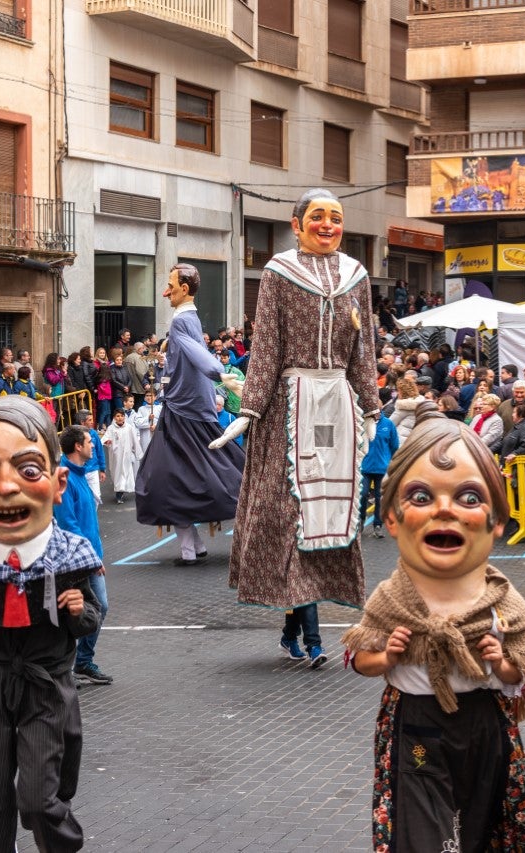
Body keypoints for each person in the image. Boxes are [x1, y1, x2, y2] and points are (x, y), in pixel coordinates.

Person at [341, 407, 525, 851]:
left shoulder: (503, 601)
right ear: (394, 519)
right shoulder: (391, 600)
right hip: (418, 725)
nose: (444, 509)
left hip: (483, 726)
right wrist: (388, 657)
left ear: (496, 522)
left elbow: (524, 676)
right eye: (420, 496)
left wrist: (503, 662)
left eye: (469, 498)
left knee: (484, 825)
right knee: (423, 833)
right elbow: (360, 660)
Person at [215, 189, 379, 668]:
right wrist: (249, 410)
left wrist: (370, 407)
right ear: (297, 224)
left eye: (336, 217)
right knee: (292, 516)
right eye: (318, 216)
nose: (328, 224)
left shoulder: (357, 275)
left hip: (335, 408)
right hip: (288, 408)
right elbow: (265, 345)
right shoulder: (278, 273)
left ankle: (297, 628)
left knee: (328, 515)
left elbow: (363, 347)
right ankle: (309, 636)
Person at [0, 397, 102, 853]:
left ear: (58, 481)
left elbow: (90, 619)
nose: (5, 487)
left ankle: (63, 846)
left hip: (46, 681)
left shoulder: (71, 556)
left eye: (28, 470)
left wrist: (76, 612)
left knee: (38, 800)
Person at [136, 264, 245, 566]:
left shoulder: (182, 321)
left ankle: (192, 546)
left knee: (164, 481)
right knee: (183, 476)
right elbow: (191, 355)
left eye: (169, 284)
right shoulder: (191, 317)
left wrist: (219, 372)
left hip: (183, 412)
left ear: (184, 289)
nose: (165, 291)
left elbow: (196, 353)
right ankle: (192, 546)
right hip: (189, 407)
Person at [55, 425, 111, 687]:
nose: (93, 445)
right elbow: (69, 525)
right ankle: (68, 665)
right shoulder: (65, 479)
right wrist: (90, 557)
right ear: (78, 446)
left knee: (98, 608)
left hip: (90, 556)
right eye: (89, 441)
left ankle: (82, 661)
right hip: (76, 562)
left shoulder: (78, 474)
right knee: (82, 612)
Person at [359, 390, 399, 539]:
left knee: (379, 498)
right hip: (365, 467)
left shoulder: (388, 424)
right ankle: (361, 519)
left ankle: (377, 525)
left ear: (380, 409)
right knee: (362, 496)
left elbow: (395, 445)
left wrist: (392, 462)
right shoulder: (363, 423)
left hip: (382, 468)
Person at [102, 408, 140, 505]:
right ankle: (119, 492)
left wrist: (138, 454)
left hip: (126, 455)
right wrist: (107, 442)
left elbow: (135, 441)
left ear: (124, 417)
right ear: (114, 417)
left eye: (122, 416)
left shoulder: (129, 428)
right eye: (118, 416)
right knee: (117, 474)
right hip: (116, 456)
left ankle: (120, 494)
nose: (120, 418)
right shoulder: (111, 428)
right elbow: (105, 438)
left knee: (126, 473)